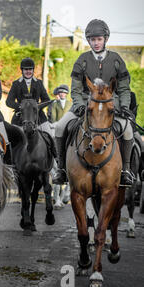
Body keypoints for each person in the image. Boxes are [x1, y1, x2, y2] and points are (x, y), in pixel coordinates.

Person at [53, 19, 135, 187]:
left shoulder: (116, 60)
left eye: (99, 39)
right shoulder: (82, 60)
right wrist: (80, 104)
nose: (96, 43)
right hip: (85, 106)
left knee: (127, 130)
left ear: (105, 39)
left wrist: (124, 106)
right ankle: (61, 169)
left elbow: (125, 89)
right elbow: (75, 89)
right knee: (61, 127)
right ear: (88, 40)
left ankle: (125, 171)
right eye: (92, 39)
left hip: (111, 107)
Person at [6, 57, 52, 135]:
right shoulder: (16, 84)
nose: (28, 71)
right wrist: (21, 106)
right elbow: (9, 102)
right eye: (26, 69)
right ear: (22, 70)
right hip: (20, 117)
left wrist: (37, 106)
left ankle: (53, 147)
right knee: (11, 136)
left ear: (33, 70)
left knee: (49, 132)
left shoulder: (39, 83)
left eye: (30, 69)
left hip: (38, 116)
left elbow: (47, 100)